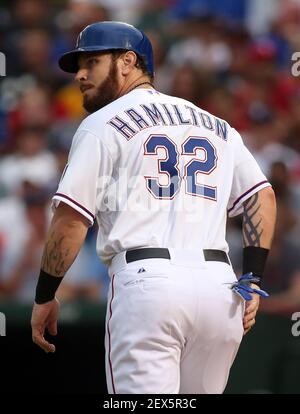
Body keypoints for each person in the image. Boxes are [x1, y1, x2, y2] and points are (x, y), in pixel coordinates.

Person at [31, 21, 277, 394]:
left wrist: (46, 295)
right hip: (220, 288)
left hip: (147, 285)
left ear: (128, 61)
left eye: (92, 61)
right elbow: (262, 196)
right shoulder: (217, 126)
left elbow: (70, 220)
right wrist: (253, 278)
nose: (80, 74)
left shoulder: (102, 124)